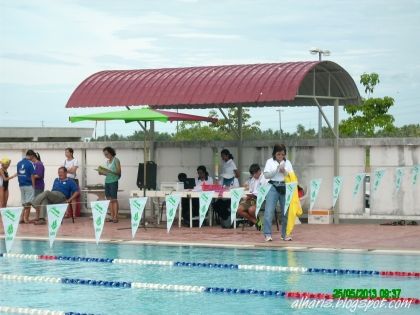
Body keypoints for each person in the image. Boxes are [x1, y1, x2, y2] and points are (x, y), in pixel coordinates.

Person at [263, 144, 294, 242]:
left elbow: (291, 175)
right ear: (274, 154)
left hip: (285, 186)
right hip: (273, 186)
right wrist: (276, 170)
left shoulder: (287, 162)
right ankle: (267, 234)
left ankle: (285, 234)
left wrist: (284, 171)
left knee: (285, 212)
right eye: (278, 154)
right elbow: (266, 175)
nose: (281, 156)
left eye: (282, 154)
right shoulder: (269, 162)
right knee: (269, 211)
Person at [237, 163, 264, 230]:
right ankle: (256, 222)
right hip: (251, 198)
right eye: (252, 174)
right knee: (239, 209)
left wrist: (252, 195)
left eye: (255, 173)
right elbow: (250, 189)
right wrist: (247, 191)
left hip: (260, 199)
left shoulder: (264, 178)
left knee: (251, 210)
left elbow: (262, 192)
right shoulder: (252, 179)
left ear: (259, 171)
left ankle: (259, 223)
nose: (254, 175)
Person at [98, 146, 121, 223]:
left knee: (114, 199)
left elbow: (118, 172)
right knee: (109, 199)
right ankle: (112, 216)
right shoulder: (107, 162)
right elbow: (107, 174)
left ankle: (115, 216)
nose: (106, 156)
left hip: (113, 181)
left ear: (111, 153)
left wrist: (110, 171)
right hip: (107, 181)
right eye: (105, 154)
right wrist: (102, 173)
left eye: (107, 154)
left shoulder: (116, 160)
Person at [17, 150, 36, 223]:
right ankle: (26, 219)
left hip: (21, 185)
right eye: (33, 156)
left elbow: (18, 174)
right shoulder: (30, 163)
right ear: (31, 155)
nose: (33, 158)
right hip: (28, 184)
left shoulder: (19, 163)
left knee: (24, 203)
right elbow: (32, 176)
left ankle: (22, 218)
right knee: (28, 202)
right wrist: (33, 186)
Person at [62, 148, 79, 219]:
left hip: (72, 180)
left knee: (73, 198)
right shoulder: (65, 161)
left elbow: (73, 171)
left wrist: (67, 170)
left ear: (71, 153)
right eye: (65, 152)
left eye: (67, 152)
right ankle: (67, 213)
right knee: (65, 197)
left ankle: (74, 214)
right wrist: (69, 169)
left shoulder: (75, 160)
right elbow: (63, 171)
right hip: (65, 180)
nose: (66, 154)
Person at [30, 152, 45, 223]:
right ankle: (37, 217)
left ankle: (39, 217)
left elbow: (39, 175)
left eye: (30, 158)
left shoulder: (39, 164)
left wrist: (31, 176)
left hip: (38, 186)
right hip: (34, 186)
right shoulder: (33, 164)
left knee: (37, 201)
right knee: (36, 201)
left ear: (33, 157)